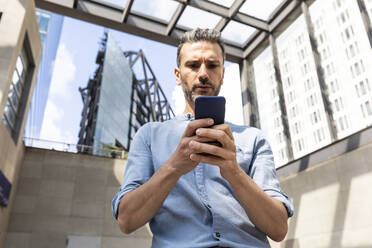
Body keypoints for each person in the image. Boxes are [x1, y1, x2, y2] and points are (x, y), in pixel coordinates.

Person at [112, 28, 294, 248]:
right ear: (178, 75)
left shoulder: (254, 139)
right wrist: (174, 167)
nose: (203, 73)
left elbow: (278, 229)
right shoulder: (149, 135)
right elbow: (127, 220)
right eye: (192, 65)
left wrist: (234, 173)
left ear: (223, 74)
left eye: (212, 65)